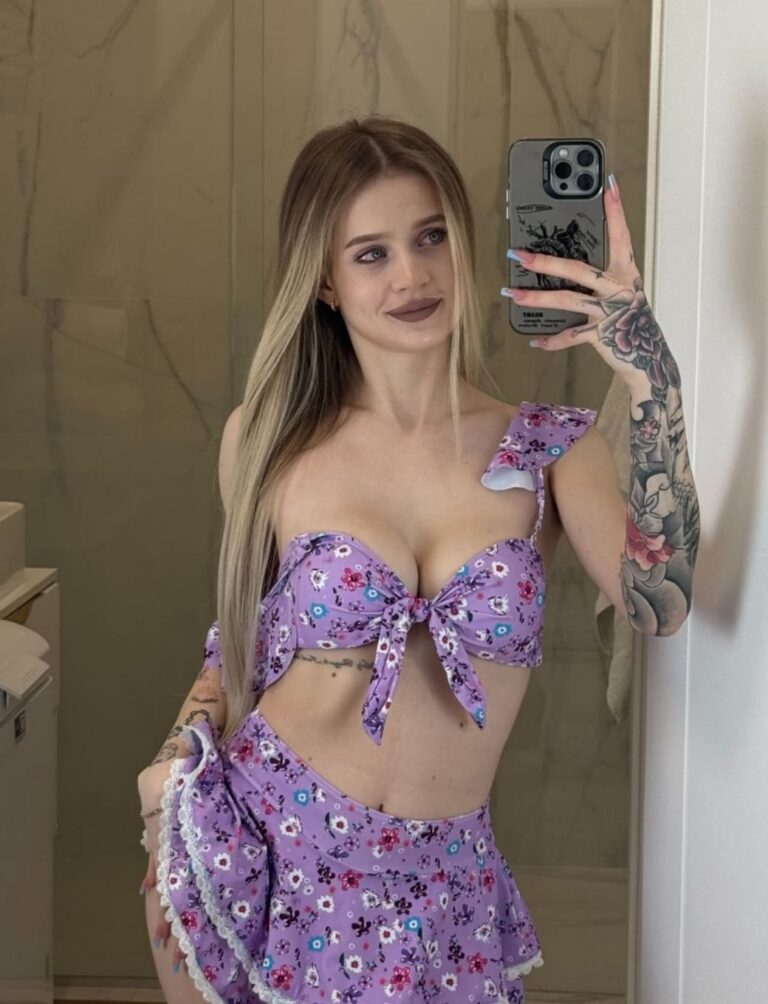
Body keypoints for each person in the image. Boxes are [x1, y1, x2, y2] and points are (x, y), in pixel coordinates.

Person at [136, 114, 695, 1004]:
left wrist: (651, 379)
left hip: (446, 888)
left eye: (431, 236)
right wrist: (168, 781)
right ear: (324, 280)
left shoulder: (548, 446)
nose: (412, 275)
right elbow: (237, 640)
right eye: (372, 253)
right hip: (271, 847)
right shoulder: (269, 440)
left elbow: (659, 602)